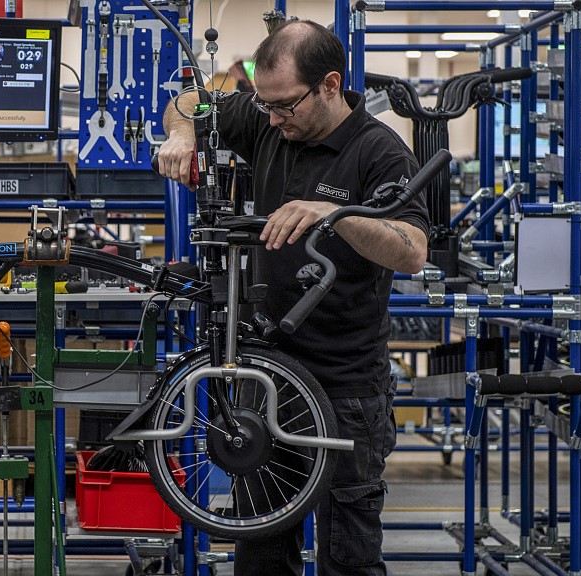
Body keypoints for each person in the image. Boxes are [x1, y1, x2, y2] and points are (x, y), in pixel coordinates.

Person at [157, 19, 430, 576]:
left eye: (286, 106)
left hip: (347, 386)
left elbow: (411, 251)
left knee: (348, 557)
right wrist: (183, 132)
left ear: (331, 84)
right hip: (269, 378)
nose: (274, 119)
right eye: (266, 106)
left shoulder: (379, 151)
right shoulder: (266, 122)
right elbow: (188, 100)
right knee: (259, 552)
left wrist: (336, 212)